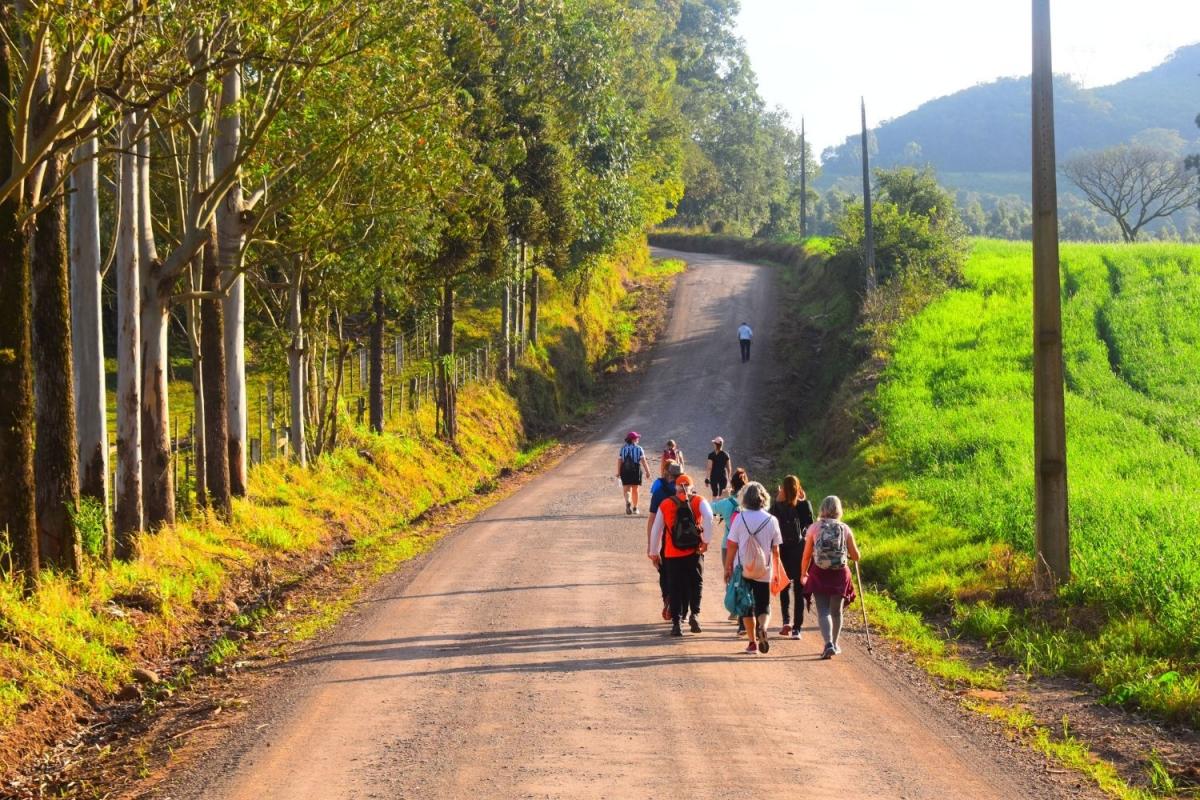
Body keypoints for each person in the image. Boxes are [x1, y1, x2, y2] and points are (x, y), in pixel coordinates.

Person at [649, 474, 714, 637]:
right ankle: (695, 615)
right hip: (694, 551)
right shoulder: (699, 500)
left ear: (676, 488)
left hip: (672, 553)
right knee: (696, 583)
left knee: (675, 586)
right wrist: (705, 541)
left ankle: (677, 623)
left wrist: (654, 552)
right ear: (691, 487)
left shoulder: (666, 503)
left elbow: (657, 529)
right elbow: (708, 517)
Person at [723, 482, 782, 654]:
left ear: (745, 498)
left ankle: (752, 643)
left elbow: (732, 545)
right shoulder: (772, 520)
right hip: (764, 569)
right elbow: (776, 550)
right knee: (763, 604)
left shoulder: (740, 518)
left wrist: (728, 568)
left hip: (743, 570)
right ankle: (762, 627)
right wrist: (777, 572)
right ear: (764, 498)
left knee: (746, 606)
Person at [801, 495, 861, 659]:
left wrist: (803, 573)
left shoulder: (814, 528)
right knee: (836, 612)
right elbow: (856, 556)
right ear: (839, 509)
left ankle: (827, 644)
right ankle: (835, 643)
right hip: (840, 574)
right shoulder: (845, 528)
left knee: (823, 611)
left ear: (822, 509)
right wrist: (853, 554)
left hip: (819, 572)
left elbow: (806, 555)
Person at [771, 476, 815, 639]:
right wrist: (804, 499)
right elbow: (811, 527)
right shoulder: (804, 505)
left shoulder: (778, 505)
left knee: (784, 586)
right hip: (800, 550)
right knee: (799, 590)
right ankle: (797, 628)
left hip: (782, 550)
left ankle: (786, 622)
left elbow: (771, 522)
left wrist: (777, 499)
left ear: (783, 488)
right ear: (798, 488)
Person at [711, 467, 748, 632]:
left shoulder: (727, 503)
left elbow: (711, 508)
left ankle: (733, 609)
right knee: (745, 575)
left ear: (732, 484)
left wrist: (722, 496)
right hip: (745, 544)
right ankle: (743, 610)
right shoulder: (749, 502)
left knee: (730, 574)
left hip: (728, 544)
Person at [647, 459, 683, 621]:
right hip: (686, 541)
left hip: (665, 540)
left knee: (665, 572)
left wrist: (651, 548)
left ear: (667, 474)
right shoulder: (687, 492)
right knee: (684, 574)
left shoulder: (659, 492)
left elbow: (653, 521)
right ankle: (682, 608)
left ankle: (667, 598)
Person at [616, 431, 650, 515]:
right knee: (635, 490)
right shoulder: (639, 448)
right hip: (635, 470)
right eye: (637, 438)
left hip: (625, 470)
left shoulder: (623, 448)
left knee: (626, 489)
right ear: (633, 439)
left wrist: (618, 472)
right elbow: (643, 461)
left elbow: (619, 461)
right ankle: (635, 508)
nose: (638, 439)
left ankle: (628, 501)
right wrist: (647, 471)